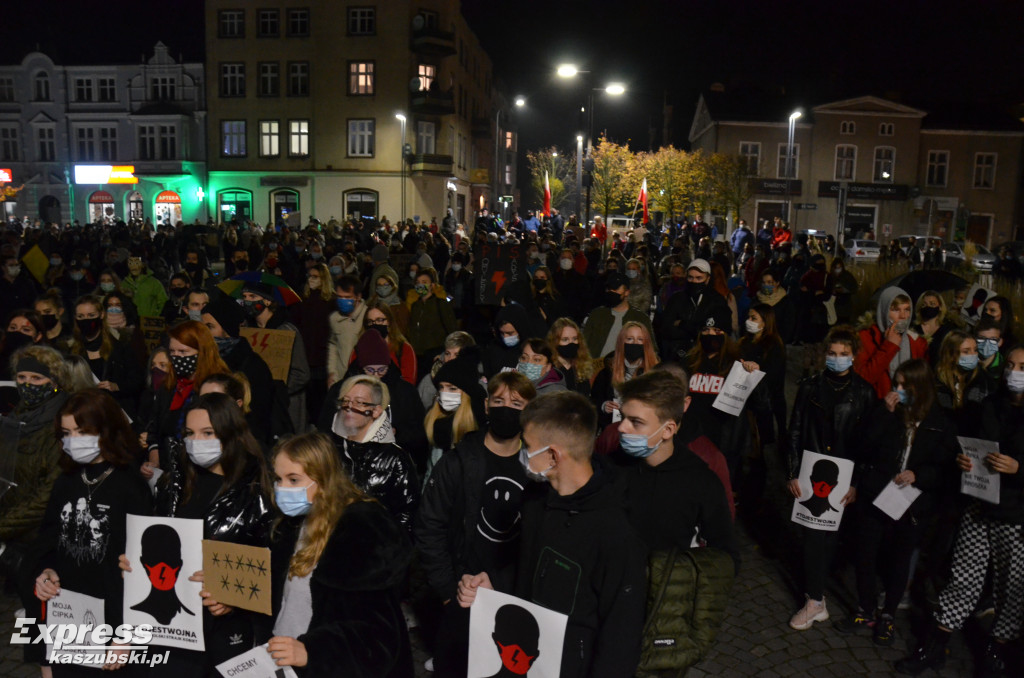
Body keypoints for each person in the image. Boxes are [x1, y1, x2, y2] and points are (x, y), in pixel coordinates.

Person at [457, 391, 647, 678]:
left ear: (553, 455)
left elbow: (622, 633)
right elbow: (528, 562)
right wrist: (495, 581)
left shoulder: (617, 532)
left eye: (528, 446)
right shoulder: (536, 498)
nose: (522, 452)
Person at [895, 345, 1024, 677]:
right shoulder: (990, 406)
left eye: (1022, 366)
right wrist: (964, 460)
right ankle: (936, 645)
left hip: (1016, 515)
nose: (1013, 371)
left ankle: (998, 650)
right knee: (962, 577)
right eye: (1010, 364)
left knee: (1011, 588)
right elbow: (971, 445)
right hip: (979, 506)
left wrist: (1018, 468)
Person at [131, 392, 274, 673]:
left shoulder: (256, 490)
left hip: (226, 632)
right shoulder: (174, 485)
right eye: (190, 433)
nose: (197, 442)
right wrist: (134, 563)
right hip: (173, 627)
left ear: (231, 433)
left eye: (208, 432)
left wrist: (232, 594)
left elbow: (273, 564)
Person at [415, 372, 537, 676]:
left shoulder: (537, 469)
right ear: (486, 406)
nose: (506, 408)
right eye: (499, 401)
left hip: (516, 597)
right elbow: (429, 527)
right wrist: (447, 592)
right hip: (463, 597)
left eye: (516, 403)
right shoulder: (458, 462)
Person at [266, 432, 414, 676]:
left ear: (324, 479)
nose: (281, 489)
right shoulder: (290, 524)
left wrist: (313, 652)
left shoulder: (358, 532)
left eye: (293, 480)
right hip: (282, 657)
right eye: (278, 479)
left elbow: (378, 638)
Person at [31, 388, 153, 674]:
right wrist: (46, 571)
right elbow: (49, 540)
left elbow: (142, 567)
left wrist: (127, 635)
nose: (73, 440)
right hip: (68, 613)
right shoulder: (66, 480)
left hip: (113, 617)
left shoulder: (130, 485)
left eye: (82, 431)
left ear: (105, 430)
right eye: (66, 432)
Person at [836, 360, 957, 646]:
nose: (899, 390)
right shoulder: (886, 411)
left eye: (906, 386)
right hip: (876, 493)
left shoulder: (939, 422)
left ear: (921, 387)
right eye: (897, 384)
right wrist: (884, 414)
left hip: (912, 503)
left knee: (900, 560)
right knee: (865, 553)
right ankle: (866, 609)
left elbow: (946, 467)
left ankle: (888, 615)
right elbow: (862, 446)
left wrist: (919, 475)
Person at [786, 326, 875, 630]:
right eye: (833, 354)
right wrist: (792, 471)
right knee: (812, 537)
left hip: (844, 476)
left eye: (844, 354)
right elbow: (795, 430)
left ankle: (825, 591)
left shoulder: (864, 392)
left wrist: (856, 482)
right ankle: (815, 600)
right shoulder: (810, 386)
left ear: (854, 356)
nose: (838, 359)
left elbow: (867, 442)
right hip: (812, 472)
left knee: (834, 540)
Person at [616, 371, 739, 569]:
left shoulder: (702, 482)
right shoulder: (613, 467)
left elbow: (726, 557)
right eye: (623, 417)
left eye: (635, 421)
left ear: (668, 429)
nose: (622, 427)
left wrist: (681, 584)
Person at [0, 346, 71, 594]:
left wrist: (4, 525)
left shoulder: (63, 422)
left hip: (40, 541)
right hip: (12, 537)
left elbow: (48, 495)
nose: (27, 384)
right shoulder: (17, 416)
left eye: (37, 378)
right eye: (22, 377)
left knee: (29, 619)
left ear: (54, 381)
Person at [327, 375, 419, 530]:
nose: (349, 407)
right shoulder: (329, 450)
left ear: (376, 411)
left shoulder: (396, 459)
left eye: (359, 402)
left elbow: (407, 516)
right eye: (346, 401)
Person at [144, 320, 230, 473]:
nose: (177, 357)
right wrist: (154, 461)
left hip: (202, 470)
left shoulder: (216, 387)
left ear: (202, 352)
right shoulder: (168, 385)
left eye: (183, 352)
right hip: (166, 471)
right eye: (173, 352)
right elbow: (154, 429)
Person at [200, 292, 278, 441]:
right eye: (202, 327)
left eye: (210, 327)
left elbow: (258, 417)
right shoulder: (205, 360)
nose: (205, 334)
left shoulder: (252, 366)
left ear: (227, 329)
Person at [685, 309, 747, 482]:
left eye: (717, 331)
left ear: (726, 334)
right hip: (691, 437)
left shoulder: (736, 364)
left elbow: (755, 405)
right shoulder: (689, 362)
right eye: (705, 330)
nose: (710, 334)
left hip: (722, 440)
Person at [240, 283, 311, 432]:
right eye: (244, 297)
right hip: (257, 408)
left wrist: (275, 389)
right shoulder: (246, 331)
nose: (247, 301)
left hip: (286, 407)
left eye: (253, 296)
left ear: (267, 301)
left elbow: (301, 374)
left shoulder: (287, 331)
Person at [69, 295, 143, 420]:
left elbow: (138, 380)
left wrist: (117, 386)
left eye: (91, 315)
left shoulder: (121, 347)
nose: (86, 320)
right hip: (83, 412)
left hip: (114, 412)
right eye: (81, 316)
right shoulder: (71, 351)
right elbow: (60, 387)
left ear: (101, 315)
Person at [738, 303, 788, 477]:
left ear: (765, 322)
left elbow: (774, 377)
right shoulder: (744, 342)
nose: (748, 321)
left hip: (766, 406)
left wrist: (759, 369)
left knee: (762, 450)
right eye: (748, 317)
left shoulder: (773, 346)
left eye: (754, 318)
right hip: (746, 403)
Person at [856, 286, 928, 399]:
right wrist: (889, 346)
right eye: (896, 310)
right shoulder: (866, 337)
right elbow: (863, 380)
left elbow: (923, 382)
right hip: (877, 407)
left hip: (907, 406)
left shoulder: (917, 342)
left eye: (907, 309)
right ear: (884, 311)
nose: (903, 316)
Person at [423, 349, 487, 476]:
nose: (444, 393)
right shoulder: (437, 427)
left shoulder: (479, 434)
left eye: (452, 388)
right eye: (441, 387)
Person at [591, 321, 659, 430]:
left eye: (640, 339)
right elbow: (593, 400)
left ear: (646, 343)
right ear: (621, 342)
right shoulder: (607, 372)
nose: (635, 343)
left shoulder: (655, 374)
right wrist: (604, 406)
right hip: (612, 429)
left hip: (644, 430)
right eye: (630, 339)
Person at [661, 259, 729, 360]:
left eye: (699, 278)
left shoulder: (717, 301)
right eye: (690, 277)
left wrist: (682, 324)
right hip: (677, 354)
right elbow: (666, 328)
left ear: (707, 279)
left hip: (705, 355)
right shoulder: (676, 298)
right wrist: (697, 329)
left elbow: (718, 330)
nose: (694, 282)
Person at [583, 272, 657, 362]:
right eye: (609, 288)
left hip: (627, 368)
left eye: (616, 288)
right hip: (597, 367)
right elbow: (584, 343)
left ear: (627, 292)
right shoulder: (597, 314)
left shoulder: (640, 318)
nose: (611, 292)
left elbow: (652, 349)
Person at [294, 262, 335, 422]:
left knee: (321, 396)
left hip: (322, 356)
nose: (311, 279)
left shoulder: (331, 302)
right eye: (309, 276)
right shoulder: (302, 300)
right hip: (305, 355)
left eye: (315, 276)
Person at [933, 330, 990, 434]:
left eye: (975, 350)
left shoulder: (981, 379)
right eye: (966, 351)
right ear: (951, 354)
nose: (973, 355)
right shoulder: (938, 381)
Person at [407, 267, 457, 378]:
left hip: (435, 353)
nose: (420, 285)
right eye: (418, 282)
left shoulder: (441, 304)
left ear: (432, 285)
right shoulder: (415, 306)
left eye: (424, 282)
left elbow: (452, 330)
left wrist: (445, 353)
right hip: (417, 354)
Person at [326, 275, 368, 388]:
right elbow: (333, 345)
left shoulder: (368, 317)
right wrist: (332, 373)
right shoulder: (334, 318)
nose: (343, 300)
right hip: (340, 380)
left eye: (347, 297)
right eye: (340, 297)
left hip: (362, 380)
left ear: (358, 297)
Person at [362, 301, 417, 385]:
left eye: (379, 320)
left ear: (389, 321)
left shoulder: (403, 348)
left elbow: (408, 383)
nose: (375, 324)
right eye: (370, 321)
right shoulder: (359, 349)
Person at [546, 317, 594, 398]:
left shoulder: (581, 366)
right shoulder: (548, 368)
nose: (571, 343)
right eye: (565, 339)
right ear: (554, 342)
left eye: (574, 339)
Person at [481, 303, 532, 378]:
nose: (505, 337)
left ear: (521, 330)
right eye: (502, 333)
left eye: (510, 333)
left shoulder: (533, 350)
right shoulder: (492, 350)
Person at [826, 258, 859, 326]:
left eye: (839, 267)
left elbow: (854, 288)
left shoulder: (847, 276)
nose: (838, 270)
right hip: (833, 307)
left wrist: (844, 290)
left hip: (845, 307)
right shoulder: (829, 276)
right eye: (836, 268)